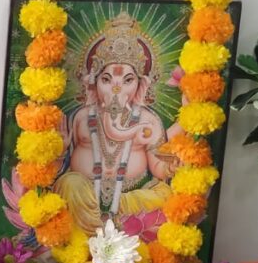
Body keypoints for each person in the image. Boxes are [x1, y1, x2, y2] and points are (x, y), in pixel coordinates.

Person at [54, 13, 176, 234]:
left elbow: (158, 168)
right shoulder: (81, 117)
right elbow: (60, 170)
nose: (116, 89)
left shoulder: (148, 120)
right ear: (93, 83)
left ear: (140, 85)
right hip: (85, 198)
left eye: (128, 80)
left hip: (130, 199)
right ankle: (97, 231)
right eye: (106, 79)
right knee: (69, 185)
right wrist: (59, 152)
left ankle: (113, 227)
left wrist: (170, 167)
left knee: (163, 196)